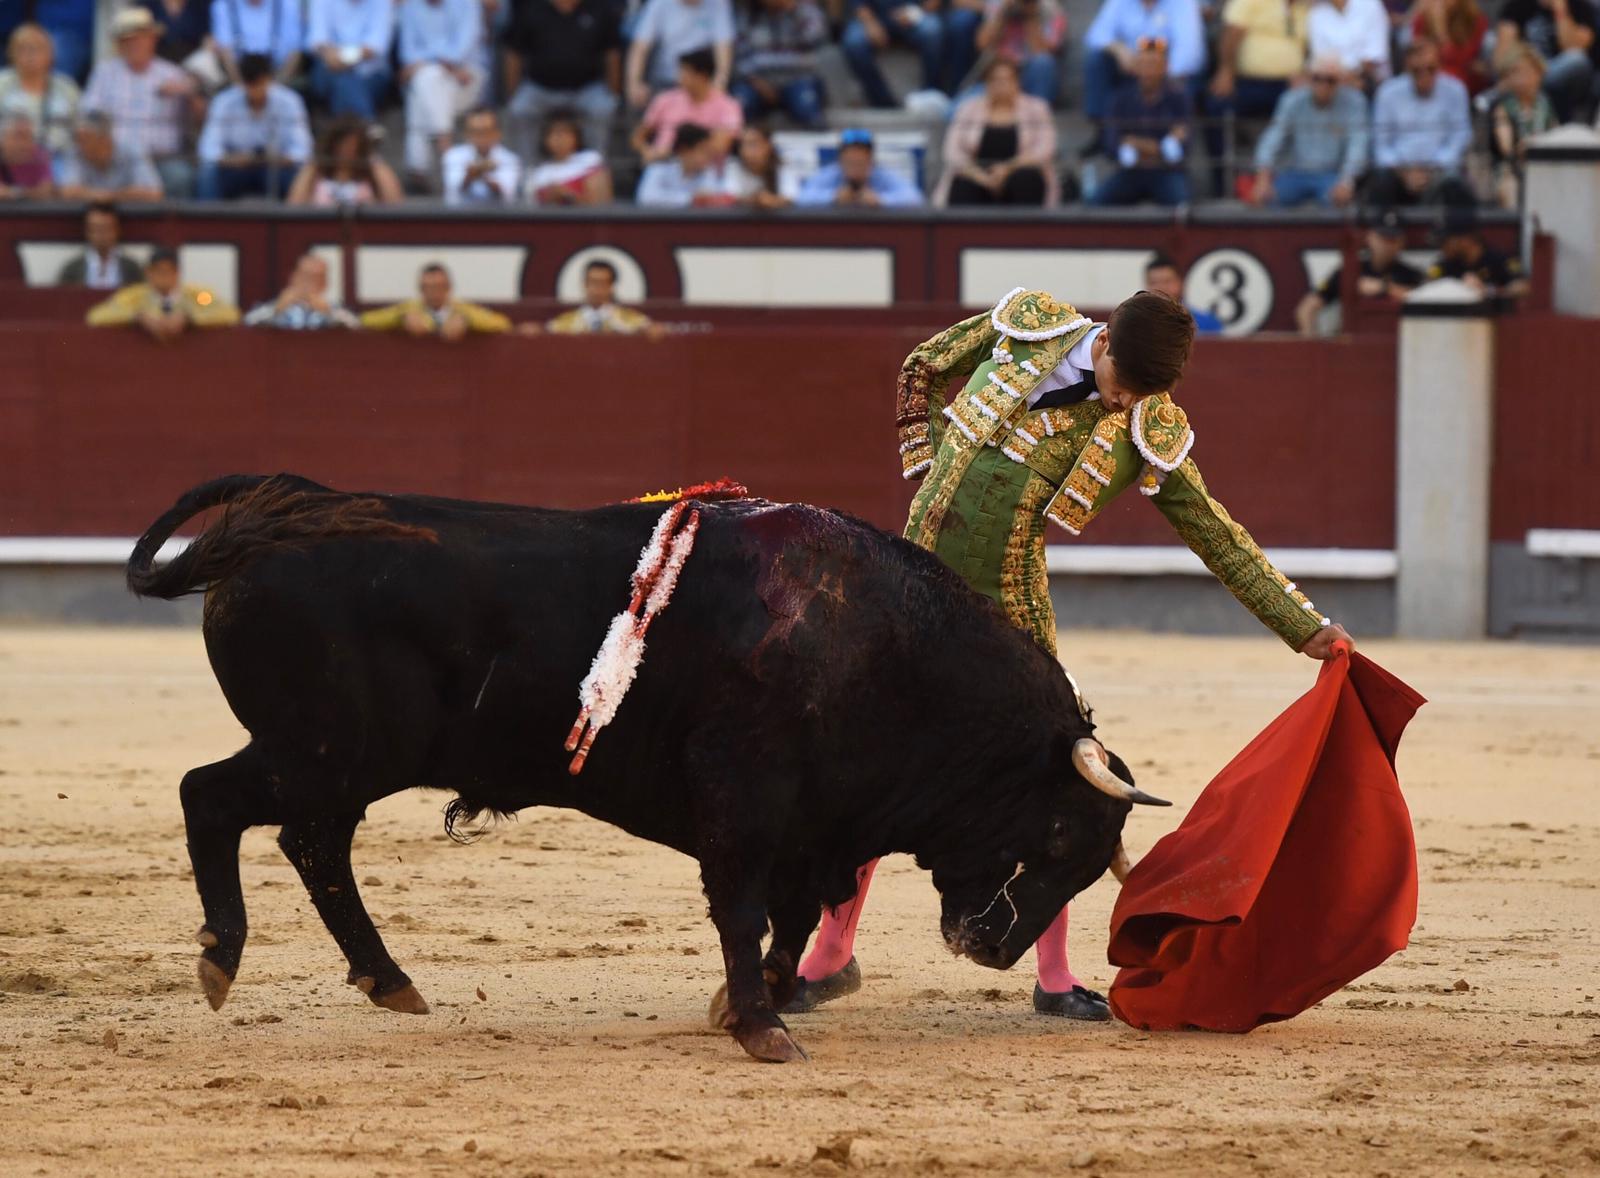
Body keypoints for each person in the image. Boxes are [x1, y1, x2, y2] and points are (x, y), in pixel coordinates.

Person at [788, 287, 1353, 1021]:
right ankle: (830, 957)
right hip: (908, 593)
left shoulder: (1147, 425)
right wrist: (925, 462)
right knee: (867, 767)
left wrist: (1302, 625)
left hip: (1009, 615)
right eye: (1123, 386)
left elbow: (1213, 530)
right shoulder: (1027, 329)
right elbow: (921, 366)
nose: (1122, 407)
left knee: (1052, 786)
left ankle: (1054, 978)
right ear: (1106, 339)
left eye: (1141, 397)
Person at [81, 8, 197, 197]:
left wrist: (191, 93)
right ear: (118, 44)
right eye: (128, 40)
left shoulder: (173, 73)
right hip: (118, 160)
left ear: (153, 39)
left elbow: (198, 117)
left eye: (140, 38)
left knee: (181, 176)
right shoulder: (104, 73)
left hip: (162, 158)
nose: (135, 44)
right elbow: (90, 114)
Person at [1203, 0, 1310, 191]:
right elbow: (1232, 32)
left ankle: (1298, 181)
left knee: (1312, 109)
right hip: (1249, 82)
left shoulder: (1306, 7)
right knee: (1216, 106)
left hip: (1291, 86)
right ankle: (1222, 184)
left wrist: (1306, 73)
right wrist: (1226, 70)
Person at [505, 0, 622, 161]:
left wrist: (613, 91)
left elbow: (612, 53)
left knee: (603, 108)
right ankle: (527, 173)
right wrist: (514, 92)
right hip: (540, 87)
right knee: (520, 108)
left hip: (587, 88)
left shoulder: (599, 8)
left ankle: (594, 168)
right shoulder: (531, 8)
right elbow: (514, 53)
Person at [1368, 36, 1474, 207]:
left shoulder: (1455, 91)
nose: (1424, 75)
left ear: (1440, 66)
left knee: (1457, 188)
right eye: (1417, 70)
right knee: (1381, 183)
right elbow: (1381, 145)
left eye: (1430, 69)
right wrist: (1404, 172)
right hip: (1398, 171)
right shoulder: (1388, 93)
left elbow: (1460, 138)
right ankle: (1386, 233)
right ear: (1407, 68)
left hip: (1441, 169)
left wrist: (1432, 168)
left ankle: (1455, 234)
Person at [1251, 54, 1369, 206]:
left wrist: (1346, 182)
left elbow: (1358, 145)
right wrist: (1262, 179)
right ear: (1308, 78)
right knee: (1268, 200)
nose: (1323, 85)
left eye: (1330, 80)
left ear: (1340, 81)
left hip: (1332, 174)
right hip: (1294, 172)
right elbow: (1272, 138)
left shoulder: (1355, 103)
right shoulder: (1292, 100)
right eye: (1317, 78)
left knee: (1339, 203)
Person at [936, 56, 1057, 205]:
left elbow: (1044, 150)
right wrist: (979, 176)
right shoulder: (968, 108)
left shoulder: (1037, 108)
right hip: (977, 174)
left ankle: (1026, 227)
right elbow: (952, 152)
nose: (1001, 85)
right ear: (986, 83)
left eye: (1007, 80)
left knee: (1026, 179)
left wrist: (1008, 169)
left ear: (1017, 82)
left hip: (1019, 171)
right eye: (995, 80)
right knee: (963, 183)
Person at [196, 53, 312, 200]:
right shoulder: (224, 102)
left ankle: (297, 222)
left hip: (277, 167)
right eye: (250, 85)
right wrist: (231, 159)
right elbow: (208, 149)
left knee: (300, 174)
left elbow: (302, 150)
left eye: (260, 83)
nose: (255, 91)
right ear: (243, 82)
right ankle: (208, 221)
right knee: (209, 172)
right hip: (235, 168)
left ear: (269, 80)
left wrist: (279, 159)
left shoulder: (290, 102)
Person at [1091, 36, 1192, 206]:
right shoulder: (1120, 99)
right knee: (1095, 205)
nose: (1148, 71)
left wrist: (1134, 143)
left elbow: (1182, 150)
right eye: (1144, 64)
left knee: (1183, 209)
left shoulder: (1179, 98)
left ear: (1165, 67)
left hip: (1166, 172)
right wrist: (1162, 146)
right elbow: (1111, 144)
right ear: (1136, 67)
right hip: (1130, 173)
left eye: (1153, 65)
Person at [1083, 0, 1206, 136]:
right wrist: (1118, 49)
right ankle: (1103, 131)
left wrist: (1155, 70)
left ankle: (1173, 140)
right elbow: (1096, 34)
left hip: (1168, 73)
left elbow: (1189, 53)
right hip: (1132, 70)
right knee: (1097, 60)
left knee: (1184, 81)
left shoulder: (1183, 3)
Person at [1294, 208, 1423, 334]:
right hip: (1354, 341)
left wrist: (1384, 288)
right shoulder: (1351, 272)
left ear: (1402, 242)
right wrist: (1312, 343)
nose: (1387, 245)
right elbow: (1306, 308)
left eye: (1393, 239)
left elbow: (1422, 301)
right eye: (1382, 238)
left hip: (1396, 343)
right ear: (1370, 237)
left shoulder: (1410, 275)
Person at [397, 0, 485, 182]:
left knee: (422, 83)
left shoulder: (468, 4)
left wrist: (426, 61)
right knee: (428, 78)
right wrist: (438, 63)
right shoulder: (409, 7)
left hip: (467, 77)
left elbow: (461, 50)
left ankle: (418, 166)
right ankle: (444, 141)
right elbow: (407, 52)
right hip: (434, 77)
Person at [85, 246, 240, 339]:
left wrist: (190, 318)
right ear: (148, 273)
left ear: (177, 273)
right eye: (158, 271)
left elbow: (230, 313)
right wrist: (138, 317)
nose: (164, 277)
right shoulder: (133, 297)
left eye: (168, 271)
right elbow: (97, 316)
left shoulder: (198, 296)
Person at [1495, 0, 1600, 122]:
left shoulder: (1579, 6)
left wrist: (1561, 11)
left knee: (1576, 60)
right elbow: (1504, 52)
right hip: (1525, 67)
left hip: (1561, 73)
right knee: (1491, 43)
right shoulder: (1517, 5)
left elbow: (1573, 48)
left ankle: (1526, 82)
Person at [634, 48, 743, 164]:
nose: (680, 77)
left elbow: (723, 143)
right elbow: (638, 137)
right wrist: (648, 152)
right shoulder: (664, 100)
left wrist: (685, 154)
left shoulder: (728, 105)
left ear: (702, 75)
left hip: (708, 167)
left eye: (686, 72)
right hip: (663, 163)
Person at [731, 0, 828, 126]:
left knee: (807, 108)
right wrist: (756, 81)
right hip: (757, 82)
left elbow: (817, 37)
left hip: (798, 79)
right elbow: (739, 54)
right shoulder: (748, 14)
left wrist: (794, 10)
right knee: (741, 104)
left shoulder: (804, 8)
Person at [838, 0, 948, 107]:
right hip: (874, 16)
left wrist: (915, 13)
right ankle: (882, 102)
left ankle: (930, 95)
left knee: (932, 30)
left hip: (913, 13)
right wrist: (870, 23)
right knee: (854, 43)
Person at [626, 0, 737, 106]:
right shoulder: (659, 4)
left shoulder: (718, 4)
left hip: (701, 82)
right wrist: (634, 83)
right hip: (664, 81)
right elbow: (640, 47)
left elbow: (724, 49)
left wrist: (719, 84)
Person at [359, 262, 512, 339]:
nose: (433, 293)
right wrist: (400, 318)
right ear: (420, 289)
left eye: (438, 287)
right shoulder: (408, 309)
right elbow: (365, 320)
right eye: (428, 287)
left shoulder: (462, 310)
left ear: (449, 287)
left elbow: (502, 323)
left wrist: (467, 320)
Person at [0, 23, 80, 163]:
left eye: (36, 49)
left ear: (50, 54)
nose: (30, 55)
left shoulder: (67, 88)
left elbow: (80, 129)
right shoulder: (2, 83)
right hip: (9, 162)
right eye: (22, 49)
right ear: (10, 53)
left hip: (59, 161)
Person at [1489, 45, 1557, 207]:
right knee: (1510, 186)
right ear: (1508, 78)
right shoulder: (1504, 106)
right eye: (1517, 72)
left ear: (1539, 74)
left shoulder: (1545, 104)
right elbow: (1507, 149)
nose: (1523, 78)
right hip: (1513, 168)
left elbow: (1556, 136)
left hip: (1544, 165)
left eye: (1528, 72)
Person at [307, 0, 395, 120]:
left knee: (344, 82)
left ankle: (354, 131)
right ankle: (366, 129)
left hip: (371, 76)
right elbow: (318, 41)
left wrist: (342, 59)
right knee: (344, 80)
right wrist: (336, 58)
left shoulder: (382, 3)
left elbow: (374, 48)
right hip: (327, 70)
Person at [794, 126, 925, 206]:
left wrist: (880, 200)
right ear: (841, 160)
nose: (855, 166)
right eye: (850, 162)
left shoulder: (881, 175)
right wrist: (833, 197)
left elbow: (914, 197)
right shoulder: (832, 173)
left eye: (860, 162)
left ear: (870, 160)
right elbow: (802, 197)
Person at [286, 118, 404, 206]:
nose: (347, 151)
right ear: (333, 146)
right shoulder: (317, 177)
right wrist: (316, 163)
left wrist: (372, 159)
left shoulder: (371, 177)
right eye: (342, 145)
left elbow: (395, 204)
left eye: (354, 146)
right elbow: (293, 204)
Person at [974, 0, 1069, 103]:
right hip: (1001, 70)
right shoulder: (1000, 5)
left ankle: (1038, 112)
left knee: (1043, 62)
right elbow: (982, 44)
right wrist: (1002, 15)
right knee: (960, 107)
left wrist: (1030, 16)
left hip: (1032, 73)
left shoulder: (1051, 9)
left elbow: (1042, 52)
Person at [1426, 206, 1531, 299]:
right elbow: (1425, 287)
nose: (1442, 247)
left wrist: (1488, 291)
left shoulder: (1498, 260)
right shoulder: (1444, 264)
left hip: (1492, 318)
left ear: (1466, 239)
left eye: (1445, 241)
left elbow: (1523, 287)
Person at [56, 112, 164, 201]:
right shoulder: (74, 152)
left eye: (85, 139)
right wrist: (111, 197)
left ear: (104, 140)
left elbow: (153, 193)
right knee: (97, 219)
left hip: (127, 217)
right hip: (87, 214)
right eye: (77, 139)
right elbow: (67, 192)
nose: (79, 145)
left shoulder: (132, 150)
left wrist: (108, 198)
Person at [540, 258, 662, 334]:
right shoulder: (565, 323)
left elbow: (654, 330)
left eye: (603, 283)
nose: (597, 289)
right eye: (593, 282)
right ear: (585, 285)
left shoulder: (633, 322)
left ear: (611, 287)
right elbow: (543, 332)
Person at [245, 252, 358, 330]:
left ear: (325, 282)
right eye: (305, 276)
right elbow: (246, 323)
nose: (309, 282)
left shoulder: (334, 307)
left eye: (317, 277)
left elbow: (356, 326)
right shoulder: (274, 306)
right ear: (294, 277)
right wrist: (276, 309)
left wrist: (328, 311)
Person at [635, 121, 736, 205]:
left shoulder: (710, 172)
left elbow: (714, 197)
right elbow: (646, 196)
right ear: (684, 150)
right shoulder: (657, 168)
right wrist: (690, 199)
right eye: (703, 150)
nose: (709, 156)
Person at [525, 110, 613, 204]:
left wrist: (568, 196)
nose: (560, 139)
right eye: (554, 134)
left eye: (565, 132)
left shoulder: (590, 160)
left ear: (576, 137)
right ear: (545, 140)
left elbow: (601, 204)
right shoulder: (539, 174)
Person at [208, 0, 303, 85]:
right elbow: (225, 51)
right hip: (237, 75)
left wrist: (275, 89)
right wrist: (242, 88)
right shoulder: (223, 5)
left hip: (278, 74)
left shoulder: (288, 4)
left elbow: (295, 51)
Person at [441, 106, 522, 204]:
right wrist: (470, 175)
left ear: (497, 133)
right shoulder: (453, 156)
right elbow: (453, 190)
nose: (481, 137)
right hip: (461, 216)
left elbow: (507, 193)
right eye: (475, 132)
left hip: (498, 217)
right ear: (466, 134)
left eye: (486, 131)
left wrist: (482, 172)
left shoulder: (510, 159)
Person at [55, 201, 144, 289]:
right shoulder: (72, 270)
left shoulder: (132, 269)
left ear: (117, 230)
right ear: (87, 231)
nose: (101, 235)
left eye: (106, 228)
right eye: (96, 229)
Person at [1411, 0, 1490, 96]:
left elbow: (1461, 59)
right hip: (1428, 77)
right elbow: (1418, 56)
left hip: (1461, 80)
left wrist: (1440, 28)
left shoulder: (1475, 20)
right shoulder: (1423, 19)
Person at [1307, 0, 1391, 88]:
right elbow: (1321, 56)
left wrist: (1352, 76)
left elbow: (1375, 53)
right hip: (1333, 80)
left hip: (1369, 77)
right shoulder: (1317, 12)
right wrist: (1341, 77)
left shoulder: (1371, 4)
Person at [1145, 252, 1223, 332]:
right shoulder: (1139, 323)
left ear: (1180, 283)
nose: (1161, 288)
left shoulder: (1207, 323)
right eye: (1154, 282)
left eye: (1167, 281)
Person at [721, 123, 789, 206]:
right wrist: (756, 200)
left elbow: (790, 198)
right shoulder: (733, 167)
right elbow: (731, 197)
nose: (746, 152)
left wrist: (771, 201)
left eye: (752, 144)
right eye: (743, 145)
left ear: (767, 145)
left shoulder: (783, 167)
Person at [138, 0, 213, 68]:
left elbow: (207, 37)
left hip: (192, 62)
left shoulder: (200, 3)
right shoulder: (147, 3)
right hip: (157, 60)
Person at [0, 112, 54, 198]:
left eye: (29, 137)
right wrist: (29, 192)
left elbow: (46, 191)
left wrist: (14, 192)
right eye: (18, 136)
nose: (24, 144)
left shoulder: (39, 156)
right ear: (3, 139)